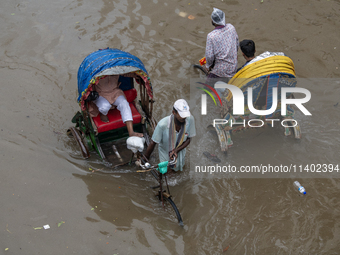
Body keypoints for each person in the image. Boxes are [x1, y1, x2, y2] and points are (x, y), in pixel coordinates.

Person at [145, 99, 196, 172]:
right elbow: (153, 143)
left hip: (179, 151)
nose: (184, 118)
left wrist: (176, 150)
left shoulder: (190, 119)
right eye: (181, 116)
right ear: (174, 112)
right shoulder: (162, 125)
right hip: (165, 153)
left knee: (179, 170)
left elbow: (189, 138)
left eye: (185, 116)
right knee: (167, 174)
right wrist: (146, 158)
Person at [204, 8, 239, 79]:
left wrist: (208, 66)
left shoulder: (211, 36)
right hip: (233, 67)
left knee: (207, 89)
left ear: (213, 21)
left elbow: (209, 56)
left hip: (220, 71)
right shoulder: (231, 28)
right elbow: (236, 44)